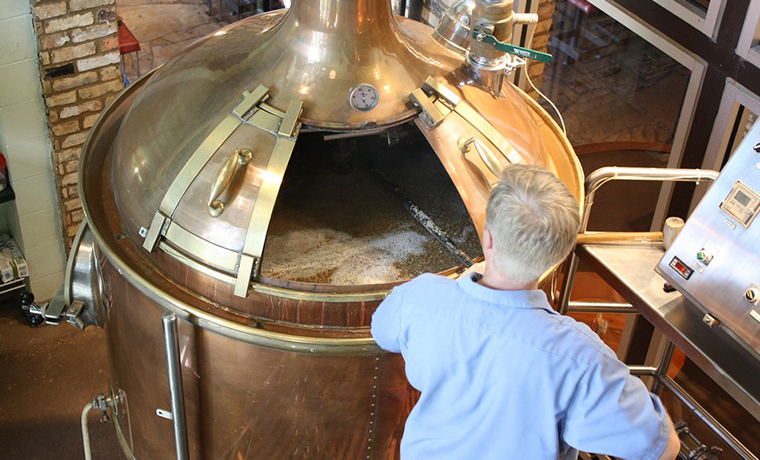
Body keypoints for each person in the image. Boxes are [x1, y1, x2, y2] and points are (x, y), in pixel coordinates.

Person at [371, 164, 680, 460]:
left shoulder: (419, 297)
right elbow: (664, 448)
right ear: (561, 254)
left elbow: (381, 332)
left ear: (488, 239)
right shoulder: (582, 360)